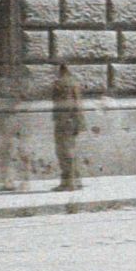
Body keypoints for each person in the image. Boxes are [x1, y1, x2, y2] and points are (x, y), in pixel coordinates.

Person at [51, 62, 86, 192]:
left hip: (64, 121)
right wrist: (79, 123)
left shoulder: (61, 83)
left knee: (63, 151)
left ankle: (69, 182)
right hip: (72, 121)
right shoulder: (74, 82)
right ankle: (76, 180)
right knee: (70, 150)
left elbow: (65, 104)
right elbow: (78, 103)